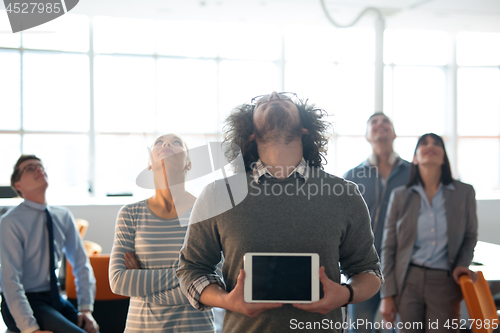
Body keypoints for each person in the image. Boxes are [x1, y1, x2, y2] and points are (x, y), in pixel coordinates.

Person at [176, 92, 383, 333]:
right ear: (250, 133)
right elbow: (191, 268)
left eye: (286, 98)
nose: (273, 95)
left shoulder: (344, 193)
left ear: (305, 128)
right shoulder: (218, 194)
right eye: (260, 101)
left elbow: (369, 271)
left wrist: (346, 293)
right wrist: (226, 300)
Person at [109, 134, 217, 332]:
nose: (166, 144)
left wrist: (141, 285)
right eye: (159, 142)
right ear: (149, 163)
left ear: (189, 163)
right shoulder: (130, 214)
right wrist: (192, 276)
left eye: (176, 142)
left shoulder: (207, 211)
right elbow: (118, 281)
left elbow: (216, 280)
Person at [380, 133, 478, 332]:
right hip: (407, 281)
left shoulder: (464, 192)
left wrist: (462, 264)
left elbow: (470, 237)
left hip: (445, 281)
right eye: (424, 143)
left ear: (443, 158)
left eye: (436, 144)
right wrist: (387, 294)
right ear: (415, 158)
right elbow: (388, 247)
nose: (430, 146)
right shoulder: (400, 195)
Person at [0, 155, 99, 333]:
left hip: (54, 299)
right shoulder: (10, 222)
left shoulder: (62, 215)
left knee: (93, 330)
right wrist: (30, 328)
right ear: (18, 186)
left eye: (40, 166)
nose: (39, 169)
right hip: (25, 300)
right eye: (30, 168)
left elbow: (80, 263)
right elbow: (10, 280)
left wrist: (86, 308)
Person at [343, 113, 410, 332]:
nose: (380, 125)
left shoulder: (413, 174)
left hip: (402, 270)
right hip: (362, 269)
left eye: (386, 122)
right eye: (374, 122)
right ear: (366, 135)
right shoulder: (352, 176)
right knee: (360, 328)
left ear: (394, 133)